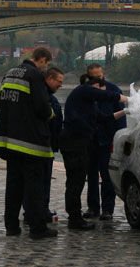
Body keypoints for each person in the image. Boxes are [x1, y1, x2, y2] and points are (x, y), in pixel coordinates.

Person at [0, 47, 57, 239]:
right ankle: (38, 229)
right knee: (34, 187)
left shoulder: (10, 73)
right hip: (30, 142)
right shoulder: (34, 76)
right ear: (42, 59)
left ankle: (11, 226)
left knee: (14, 186)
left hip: (11, 141)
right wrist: (52, 114)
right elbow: (42, 107)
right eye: (47, 64)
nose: (47, 68)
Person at [60, 74, 127, 230]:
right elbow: (105, 95)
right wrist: (126, 99)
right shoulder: (82, 91)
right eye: (99, 91)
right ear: (94, 87)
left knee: (77, 180)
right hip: (73, 142)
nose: (98, 95)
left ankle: (75, 217)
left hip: (81, 143)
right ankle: (75, 219)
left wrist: (125, 112)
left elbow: (104, 118)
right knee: (75, 182)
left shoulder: (90, 104)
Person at [84, 64, 126, 221]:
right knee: (91, 175)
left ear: (103, 75)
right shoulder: (85, 91)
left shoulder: (114, 90)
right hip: (90, 139)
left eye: (99, 76)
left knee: (107, 175)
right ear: (88, 77)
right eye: (94, 76)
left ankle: (108, 209)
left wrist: (118, 138)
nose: (97, 78)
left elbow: (121, 117)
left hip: (107, 139)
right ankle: (92, 207)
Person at [43, 67, 65, 221]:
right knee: (42, 180)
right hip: (43, 146)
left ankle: (41, 209)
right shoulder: (45, 97)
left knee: (44, 181)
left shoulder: (47, 95)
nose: (61, 85)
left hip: (48, 145)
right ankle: (40, 211)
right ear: (50, 78)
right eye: (59, 81)